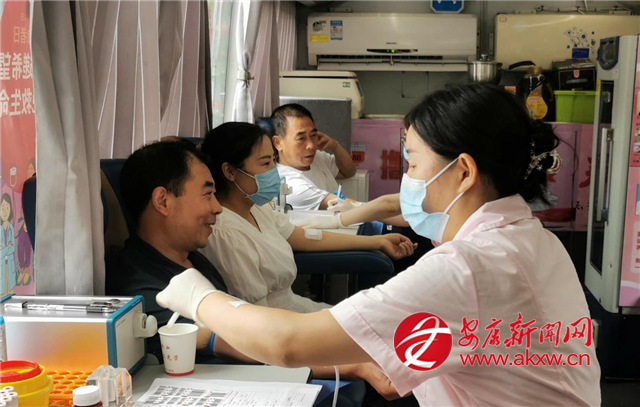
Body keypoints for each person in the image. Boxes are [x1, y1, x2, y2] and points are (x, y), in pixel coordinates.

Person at [157, 85, 601, 406]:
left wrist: (196, 295)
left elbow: (288, 344)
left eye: (413, 162)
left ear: (463, 172)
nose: (407, 177)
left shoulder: (469, 267)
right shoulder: (533, 240)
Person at [109, 140, 400, 403]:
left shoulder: (191, 258)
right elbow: (238, 342)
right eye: (207, 194)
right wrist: (356, 365)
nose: (217, 208)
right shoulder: (146, 287)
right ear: (163, 201)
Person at [199, 122, 416, 313]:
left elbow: (304, 237)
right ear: (230, 171)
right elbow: (258, 318)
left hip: (292, 309)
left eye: (273, 161)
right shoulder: (224, 233)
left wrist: (377, 241)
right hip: (276, 325)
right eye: (265, 164)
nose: (274, 171)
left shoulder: (256, 209)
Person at [271, 104, 357, 211]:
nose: (311, 145)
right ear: (278, 143)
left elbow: (349, 172)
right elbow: (344, 206)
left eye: (313, 135)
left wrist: (334, 146)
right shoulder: (289, 184)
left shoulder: (317, 158)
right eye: (301, 138)